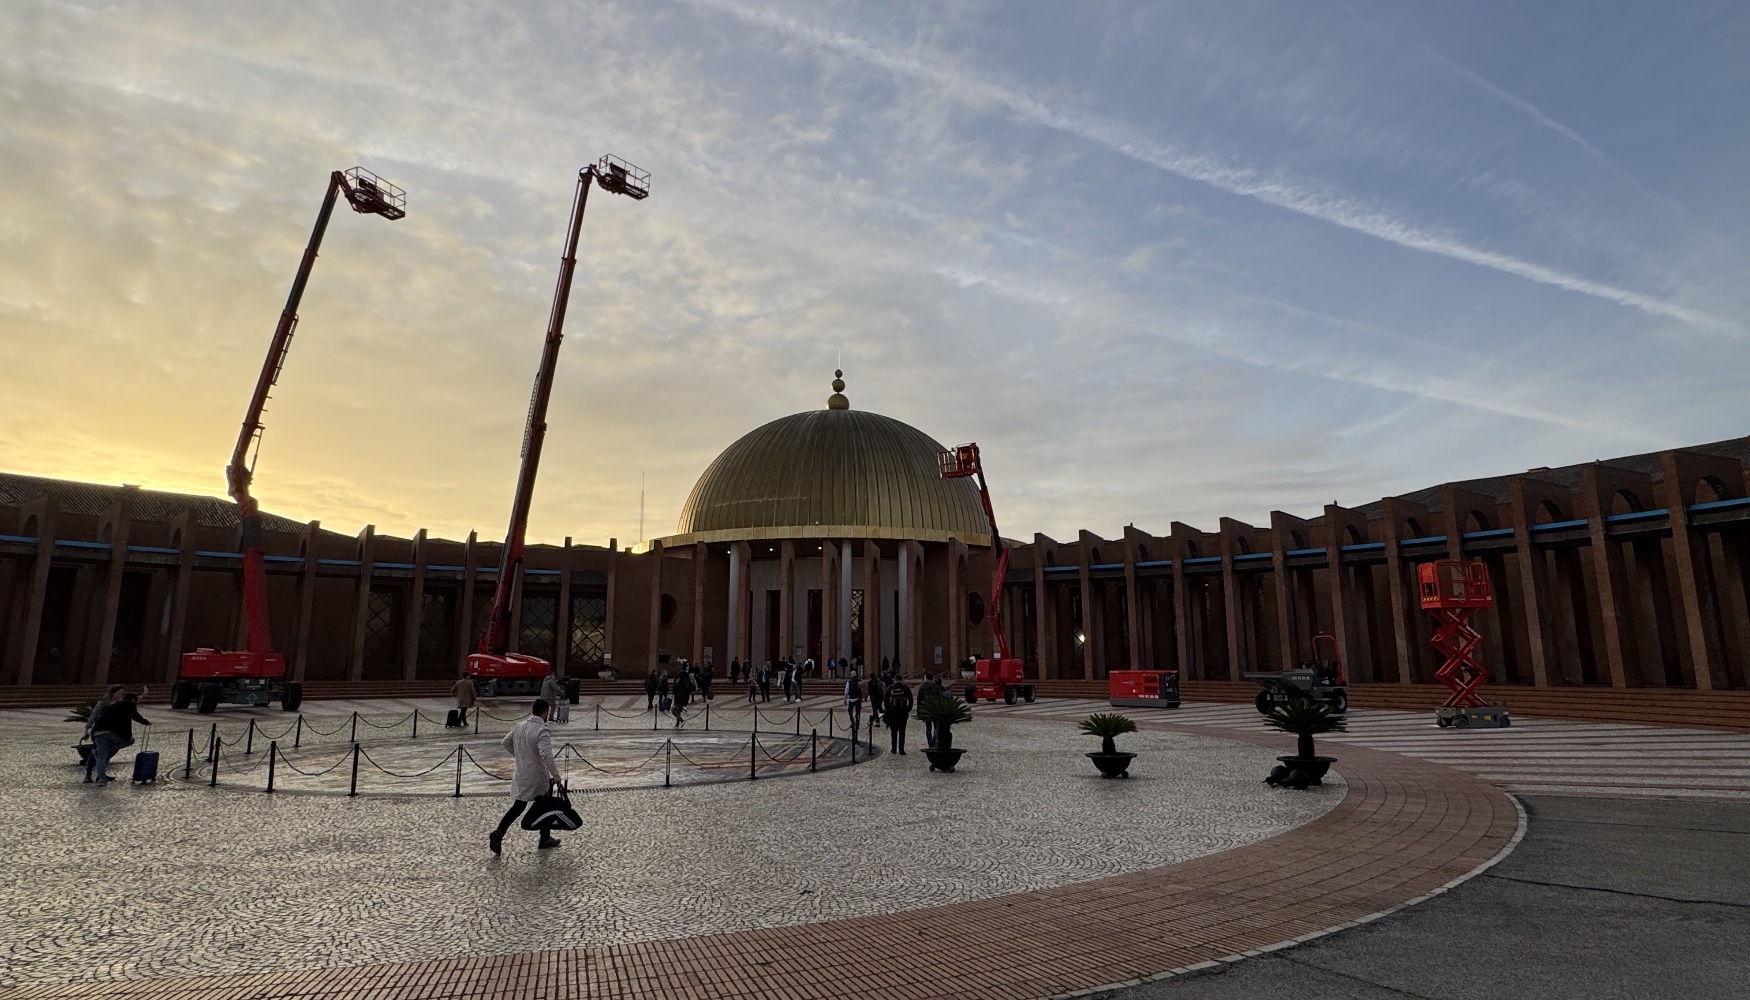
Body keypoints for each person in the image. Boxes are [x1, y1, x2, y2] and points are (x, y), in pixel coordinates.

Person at [489, 699, 563, 853]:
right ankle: (544, 838)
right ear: (544, 712)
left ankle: (499, 832)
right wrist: (556, 775)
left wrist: (520, 756)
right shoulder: (542, 730)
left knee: (518, 806)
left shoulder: (519, 726)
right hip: (538, 776)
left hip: (521, 773)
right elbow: (546, 755)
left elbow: (505, 742)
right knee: (545, 805)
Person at [87, 691, 150, 785]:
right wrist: (146, 722)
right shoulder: (129, 705)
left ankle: (101, 779)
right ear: (133, 700)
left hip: (97, 732)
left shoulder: (113, 706)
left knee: (102, 756)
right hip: (110, 732)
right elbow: (136, 716)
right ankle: (108, 751)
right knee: (130, 740)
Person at [884, 679, 913, 754]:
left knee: (893, 730)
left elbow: (885, 699)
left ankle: (893, 749)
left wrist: (888, 709)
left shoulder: (891, 687)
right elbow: (911, 699)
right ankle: (901, 749)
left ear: (895, 679)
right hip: (903, 712)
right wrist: (908, 708)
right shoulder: (905, 688)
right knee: (902, 731)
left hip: (893, 712)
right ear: (902, 680)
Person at [916, 674, 942, 749]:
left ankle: (930, 743)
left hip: (925, 709)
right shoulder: (936, 687)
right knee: (936, 726)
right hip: (935, 708)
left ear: (926, 678)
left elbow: (919, 700)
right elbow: (940, 699)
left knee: (928, 728)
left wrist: (919, 711)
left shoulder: (922, 687)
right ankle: (934, 740)